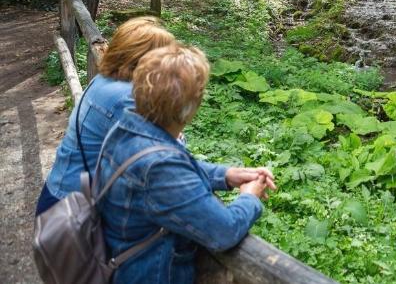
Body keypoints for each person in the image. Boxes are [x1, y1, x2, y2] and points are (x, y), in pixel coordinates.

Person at [37, 16, 271, 215]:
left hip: (61, 196)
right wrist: (243, 194)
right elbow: (170, 162)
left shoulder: (105, 81)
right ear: (146, 61)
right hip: (76, 212)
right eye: (164, 57)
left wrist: (226, 175)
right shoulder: (127, 99)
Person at [96, 44, 273, 283]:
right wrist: (249, 197)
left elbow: (168, 171)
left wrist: (226, 175)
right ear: (189, 107)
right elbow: (224, 231)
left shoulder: (127, 127)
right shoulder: (160, 167)